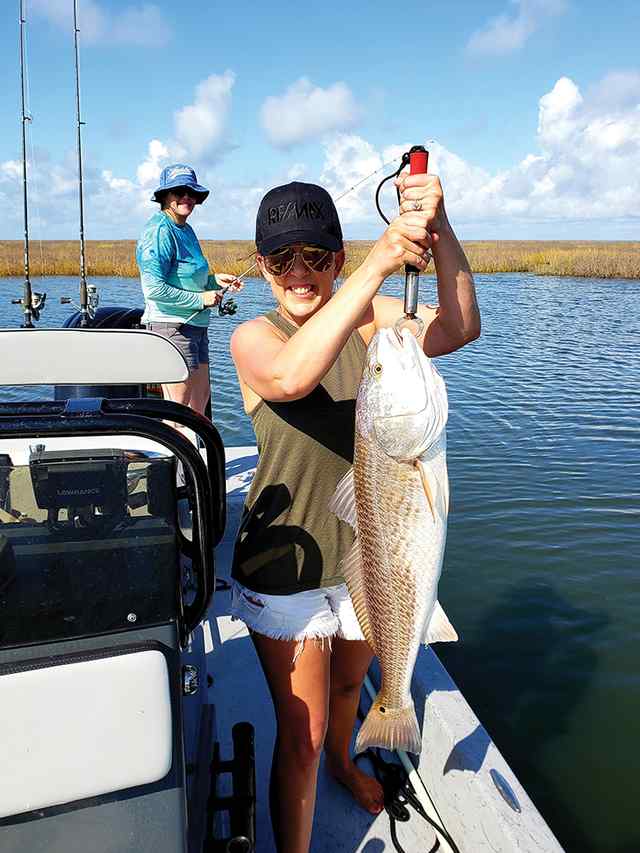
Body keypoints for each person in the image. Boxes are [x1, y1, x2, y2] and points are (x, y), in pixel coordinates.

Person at [229, 175, 480, 853]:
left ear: (336, 258)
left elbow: (460, 326)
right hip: (289, 566)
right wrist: (376, 265)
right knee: (303, 736)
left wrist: (439, 225)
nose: (300, 273)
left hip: (374, 556)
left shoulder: (379, 325)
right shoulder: (255, 336)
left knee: (350, 684)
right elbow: (290, 379)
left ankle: (349, 758)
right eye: (281, 259)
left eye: (316, 255)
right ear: (261, 267)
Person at [137, 163, 242, 416]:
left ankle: (198, 454)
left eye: (192, 193)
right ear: (165, 197)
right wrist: (201, 299)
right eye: (179, 191)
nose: (187, 197)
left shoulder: (186, 229)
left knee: (200, 399)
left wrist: (216, 281)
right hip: (171, 326)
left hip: (197, 326)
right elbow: (154, 290)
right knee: (178, 406)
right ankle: (175, 455)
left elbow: (190, 277)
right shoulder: (158, 231)